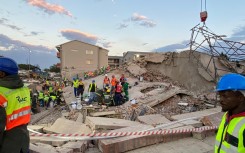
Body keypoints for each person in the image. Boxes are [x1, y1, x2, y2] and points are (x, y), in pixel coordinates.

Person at [0, 57, 30, 153]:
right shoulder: (24, 89)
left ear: (2, 74)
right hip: (23, 139)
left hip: (7, 143)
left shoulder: (1, 93)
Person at [215, 73, 245, 153]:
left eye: (225, 96)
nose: (220, 100)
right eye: (220, 96)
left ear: (240, 98)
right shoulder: (227, 115)